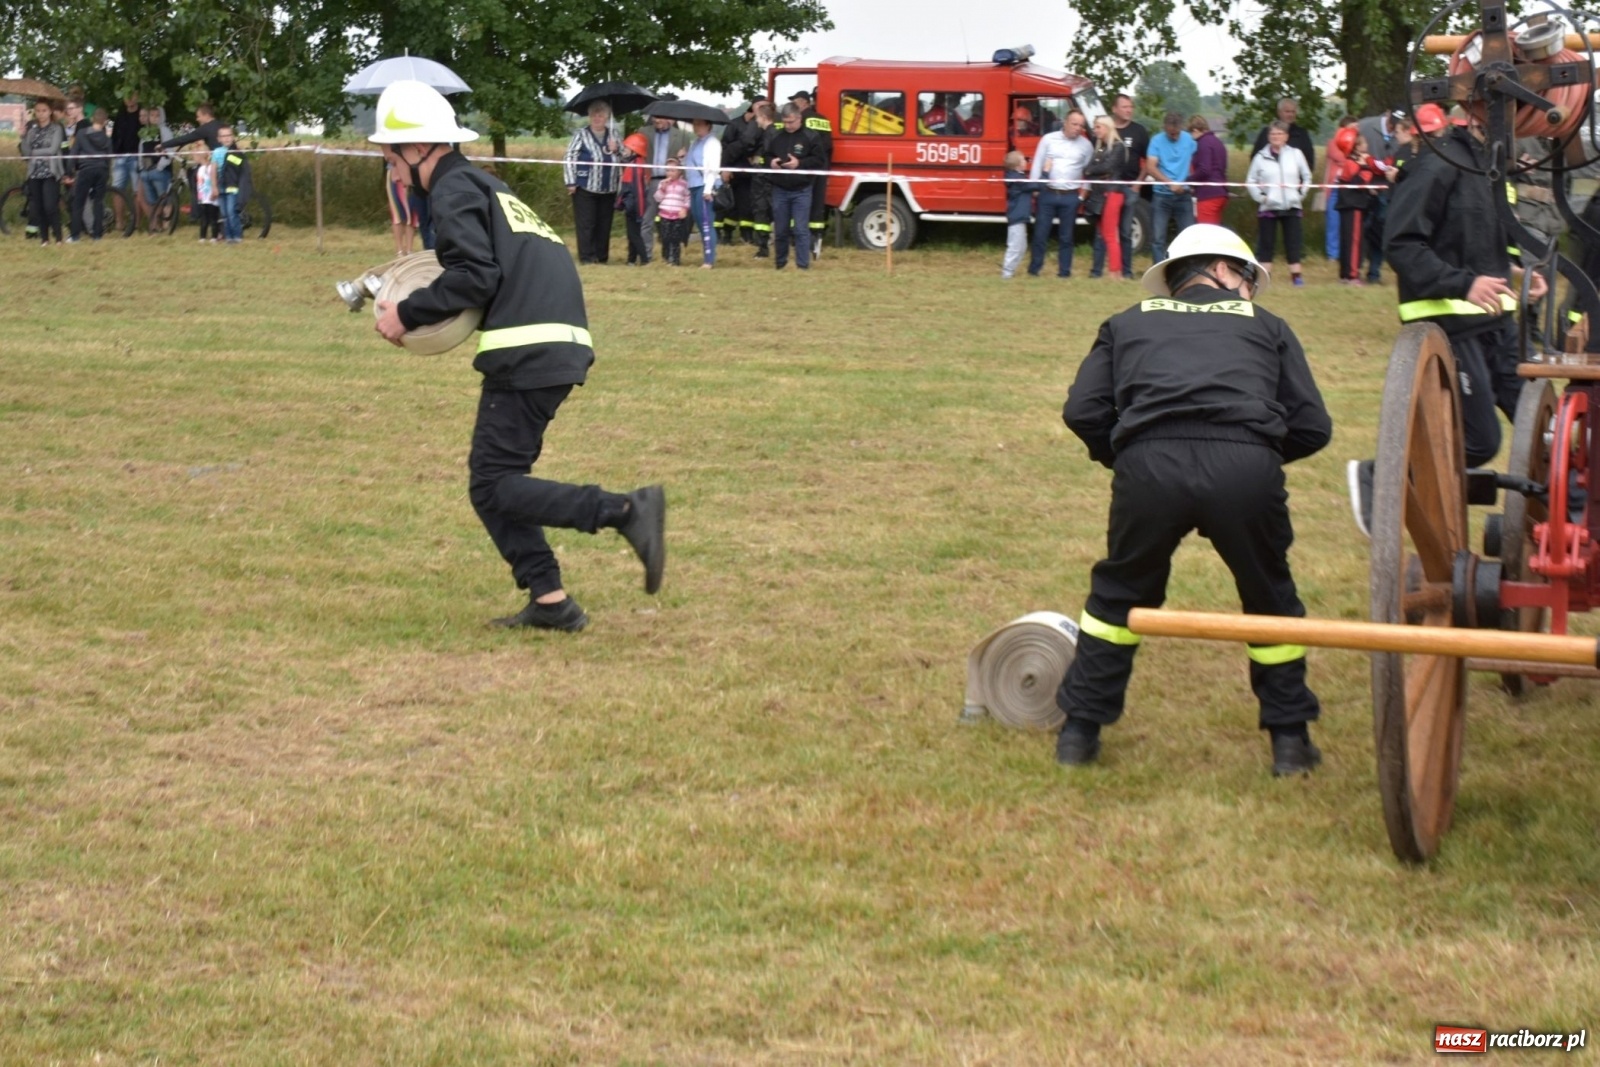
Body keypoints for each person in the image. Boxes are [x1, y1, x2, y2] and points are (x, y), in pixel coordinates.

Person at [368, 80, 666, 630]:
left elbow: (475, 275)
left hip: (528, 347)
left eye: (390, 159)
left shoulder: (452, 190)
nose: (393, 173)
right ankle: (551, 602)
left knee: (493, 483)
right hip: (554, 339)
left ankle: (625, 511)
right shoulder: (487, 185)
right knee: (497, 483)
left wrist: (406, 313)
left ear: (418, 148)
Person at [1057, 223, 1332, 775]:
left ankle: (1078, 736)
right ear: (1224, 270)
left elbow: (1082, 410)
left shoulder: (1125, 322)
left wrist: (1127, 455)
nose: (1249, 292)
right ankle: (1290, 745)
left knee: (1117, 597)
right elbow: (1312, 426)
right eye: (1249, 280)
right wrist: (1255, 456)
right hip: (1246, 468)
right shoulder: (1268, 326)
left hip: (1148, 468)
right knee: (1269, 598)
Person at [1348, 111, 1549, 536]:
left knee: (1542, 429)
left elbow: (1481, 242)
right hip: (1449, 324)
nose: (1524, 134)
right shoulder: (1437, 163)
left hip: (1498, 323)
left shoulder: (1491, 166)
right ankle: (1378, 475)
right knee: (1480, 440)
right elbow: (1402, 245)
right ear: (1480, 113)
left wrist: (1516, 274)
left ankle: (1574, 520)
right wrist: (1465, 284)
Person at [1027, 110, 1092, 278]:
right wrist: (1035, 188)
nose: (1077, 128)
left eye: (1081, 125)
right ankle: (1034, 270)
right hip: (1047, 193)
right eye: (1074, 124)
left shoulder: (1086, 145)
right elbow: (1037, 164)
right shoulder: (1048, 139)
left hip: (1070, 196)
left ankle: (1064, 272)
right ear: (1065, 122)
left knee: (1066, 236)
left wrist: (1082, 196)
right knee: (1040, 234)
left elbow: (1089, 172)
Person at [1246, 119, 1311, 287]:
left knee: (1293, 243)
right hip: (1268, 206)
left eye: (1279, 133)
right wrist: (1262, 198)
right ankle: (1265, 278)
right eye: (1273, 133)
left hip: (1292, 205)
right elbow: (1250, 181)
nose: (1276, 137)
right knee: (1266, 243)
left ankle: (1296, 277)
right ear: (1269, 136)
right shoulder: (1260, 157)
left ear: (1286, 136)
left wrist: (1300, 194)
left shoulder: (1296, 154)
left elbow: (1307, 176)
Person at [766, 102, 825, 271]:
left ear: (799, 118)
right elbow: (766, 155)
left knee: (800, 230)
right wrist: (771, 162)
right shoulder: (776, 136)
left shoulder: (811, 136)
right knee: (781, 230)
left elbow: (819, 160)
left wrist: (800, 163)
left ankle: (802, 266)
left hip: (802, 190)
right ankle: (780, 264)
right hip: (780, 189)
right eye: (785, 122)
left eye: (791, 122)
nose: (788, 126)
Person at [563, 100, 620, 265]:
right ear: (589, 117)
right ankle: (587, 257)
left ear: (606, 117)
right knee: (586, 224)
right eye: (594, 115)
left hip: (609, 187)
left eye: (600, 115)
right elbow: (569, 157)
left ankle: (601, 257)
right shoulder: (581, 134)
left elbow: (625, 157)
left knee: (604, 224)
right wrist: (570, 182)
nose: (597, 118)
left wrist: (616, 149)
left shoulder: (614, 135)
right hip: (585, 187)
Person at [637, 114, 692, 265]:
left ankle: (671, 257)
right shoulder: (643, 132)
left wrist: (683, 158)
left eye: (660, 118)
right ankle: (646, 256)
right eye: (655, 118)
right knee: (647, 220)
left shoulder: (682, 136)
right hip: (651, 181)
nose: (656, 120)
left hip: (675, 185)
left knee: (674, 224)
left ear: (669, 119)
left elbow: (686, 164)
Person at [1146, 111, 1197, 264]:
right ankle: (1158, 268)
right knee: (1158, 238)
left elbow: (1198, 160)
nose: (1174, 136)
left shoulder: (1189, 139)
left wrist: (1194, 182)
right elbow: (1150, 167)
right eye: (1170, 133)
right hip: (1161, 196)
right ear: (1164, 128)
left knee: (1188, 236)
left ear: (1181, 128)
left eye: (1176, 133)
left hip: (1184, 195)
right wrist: (1170, 183)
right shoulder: (1156, 141)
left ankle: (1188, 269)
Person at [1110, 93, 1149, 280]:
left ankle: (1127, 271)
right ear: (1114, 109)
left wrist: (1138, 184)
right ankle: (1106, 269)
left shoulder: (1139, 131)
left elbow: (1149, 160)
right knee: (1106, 231)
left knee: (1126, 231)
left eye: (1130, 107)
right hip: (1109, 188)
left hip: (1130, 188)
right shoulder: (1107, 129)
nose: (1129, 110)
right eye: (1124, 107)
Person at [1083, 116, 1127, 278]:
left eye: (1098, 127)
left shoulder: (1118, 146)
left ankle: (1115, 271)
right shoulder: (1100, 147)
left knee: (1109, 234)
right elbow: (1088, 169)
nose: (1095, 130)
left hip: (1112, 193)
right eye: (1095, 127)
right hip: (1100, 194)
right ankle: (1115, 270)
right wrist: (1096, 171)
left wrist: (1093, 171)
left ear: (1107, 127)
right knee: (1103, 233)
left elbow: (1107, 167)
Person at [720, 96, 768, 245]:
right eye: (760, 105)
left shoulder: (762, 125)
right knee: (731, 206)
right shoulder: (735, 124)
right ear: (752, 106)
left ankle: (747, 236)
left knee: (748, 205)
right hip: (734, 171)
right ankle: (727, 235)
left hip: (752, 173)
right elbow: (726, 146)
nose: (762, 109)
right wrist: (725, 168)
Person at [1333, 128, 1379, 284]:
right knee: (1354, 240)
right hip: (1354, 206)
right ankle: (1352, 275)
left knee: (1347, 239)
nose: (1366, 145)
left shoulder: (1349, 162)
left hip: (1348, 205)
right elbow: (1359, 182)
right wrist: (1366, 167)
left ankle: (1345, 274)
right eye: (1363, 143)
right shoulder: (1352, 163)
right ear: (1355, 147)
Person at [791, 90, 832, 257]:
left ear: (803, 102)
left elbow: (798, 146)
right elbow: (829, 147)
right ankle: (816, 239)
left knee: (799, 202)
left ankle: (797, 239)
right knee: (817, 204)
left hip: (804, 167)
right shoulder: (823, 120)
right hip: (821, 168)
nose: (793, 105)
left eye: (795, 102)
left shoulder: (800, 120)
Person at [20, 100, 66, 246]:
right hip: (34, 173)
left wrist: (34, 152)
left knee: (50, 206)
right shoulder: (32, 131)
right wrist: (22, 136)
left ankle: (58, 237)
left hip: (51, 172)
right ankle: (44, 238)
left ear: (50, 111)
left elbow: (53, 150)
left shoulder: (56, 129)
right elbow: (25, 152)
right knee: (38, 207)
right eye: (38, 111)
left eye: (44, 110)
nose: (41, 114)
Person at [683, 117, 723, 269]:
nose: (696, 127)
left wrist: (708, 189)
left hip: (705, 185)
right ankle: (706, 255)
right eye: (694, 124)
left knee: (707, 223)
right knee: (700, 222)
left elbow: (713, 167)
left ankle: (709, 260)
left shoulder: (712, 143)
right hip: (694, 186)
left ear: (708, 125)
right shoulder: (695, 143)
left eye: (699, 124)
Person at [1319, 115, 1357, 264]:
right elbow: (1342, 158)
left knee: (1349, 223)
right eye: (1352, 128)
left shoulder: (1358, 143)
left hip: (1350, 187)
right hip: (1334, 187)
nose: (1355, 131)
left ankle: (1347, 253)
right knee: (1333, 222)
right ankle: (1333, 254)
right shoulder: (1333, 143)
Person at [69, 107, 112, 241]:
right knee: (98, 203)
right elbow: (109, 157)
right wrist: (107, 173)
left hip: (86, 169)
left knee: (79, 202)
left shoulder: (82, 133)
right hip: (101, 170)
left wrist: (69, 171)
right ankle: (97, 235)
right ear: (105, 122)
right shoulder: (106, 138)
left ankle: (75, 236)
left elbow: (74, 153)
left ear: (92, 119)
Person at [747, 102, 778, 259]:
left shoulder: (768, 135)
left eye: (757, 117)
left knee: (761, 213)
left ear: (764, 117)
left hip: (764, 181)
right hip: (767, 180)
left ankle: (763, 248)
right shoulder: (774, 133)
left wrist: (757, 162)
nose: (756, 121)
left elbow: (767, 157)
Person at [617, 132, 651, 265]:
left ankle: (644, 260)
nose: (625, 150)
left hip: (634, 206)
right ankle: (631, 260)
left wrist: (621, 203)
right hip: (633, 204)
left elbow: (636, 190)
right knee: (632, 234)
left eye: (627, 148)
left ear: (634, 150)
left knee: (634, 235)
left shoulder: (636, 166)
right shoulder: (636, 162)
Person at [109, 91, 141, 235]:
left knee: (137, 191)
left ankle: (136, 223)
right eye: (126, 96)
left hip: (136, 156)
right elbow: (115, 135)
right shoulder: (120, 115)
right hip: (120, 156)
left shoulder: (142, 115)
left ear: (137, 96)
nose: (129, 99)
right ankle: (119, 222)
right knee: (117, 189)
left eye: (131, 95)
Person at [139, 106, 177, 228]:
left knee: (165, 199)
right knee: (152, 201)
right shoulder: (145, 132)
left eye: (157, 116)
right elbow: (140, 150)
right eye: (152, 115)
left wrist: (160, 167)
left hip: (161, 171)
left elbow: (170, 151)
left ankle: (166, 225)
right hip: (146, 171)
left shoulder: (165, 131)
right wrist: (142, 168)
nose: (154, 118)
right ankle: (155, 226)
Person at [1188, 114, 1228, 225]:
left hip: (1208, 195)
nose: (1191, 136)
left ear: (1195, 130)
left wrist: (1189, 180)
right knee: (1214, 229)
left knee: (1205, 230)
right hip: (1221, 192)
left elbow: (1204, 170)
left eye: (1191, 133)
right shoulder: (1217, 142)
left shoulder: (1203, 143)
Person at [1000, 150, 1034, 279]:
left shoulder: (1017, 176)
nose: (1026, 161)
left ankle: (1010, 271)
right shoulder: (1018, 179)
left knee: (1022, 247)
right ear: (1018, 165)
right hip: (1017, 217)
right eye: (1024, 160)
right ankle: (1007, 273)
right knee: (1015, 247)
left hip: (1020, 217)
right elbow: (1035, 185)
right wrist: (1046, 173)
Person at [653, 157, 692, 266]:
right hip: (665, 215)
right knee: (665, 237)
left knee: (675, 239)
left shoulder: (684, 184)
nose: (670, 173)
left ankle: (675, 260)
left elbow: (688, 198)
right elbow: (657, 198)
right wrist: (662, 189)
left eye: (673, 170)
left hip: (677, 215)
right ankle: (665, 258)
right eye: (667, 170)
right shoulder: (662, 183)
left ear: (679, 171)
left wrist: (685, 208)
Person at [217, 125, 249, 244]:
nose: (226, 138)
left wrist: (230, 156)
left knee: (231, 212)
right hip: (221, 187)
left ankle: (237, 236)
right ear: (219, 139)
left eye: (229, 135)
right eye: (223, 136)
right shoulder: (216, 152)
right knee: (224, 214)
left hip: (232, 187)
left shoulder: (237, 153)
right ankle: (228, 237)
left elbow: (240, 169)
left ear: (233, 137)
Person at [386, 157, 418, 255]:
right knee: (397, 212)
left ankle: (409, 250)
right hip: (396, 172)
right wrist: (396, 168)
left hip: (414, 172)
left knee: (412, 213)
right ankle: (399, 250)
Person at [191, 141, 219, 242]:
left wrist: (213, 192)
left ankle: (214, 237)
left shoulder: (211, 168)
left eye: (194, 156)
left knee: (213, 218)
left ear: (199, 156)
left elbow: (213, 181)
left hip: (212, 198)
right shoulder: (200, 169)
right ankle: (202, 237)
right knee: (204, 218)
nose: (193, 158)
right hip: (203, 198)